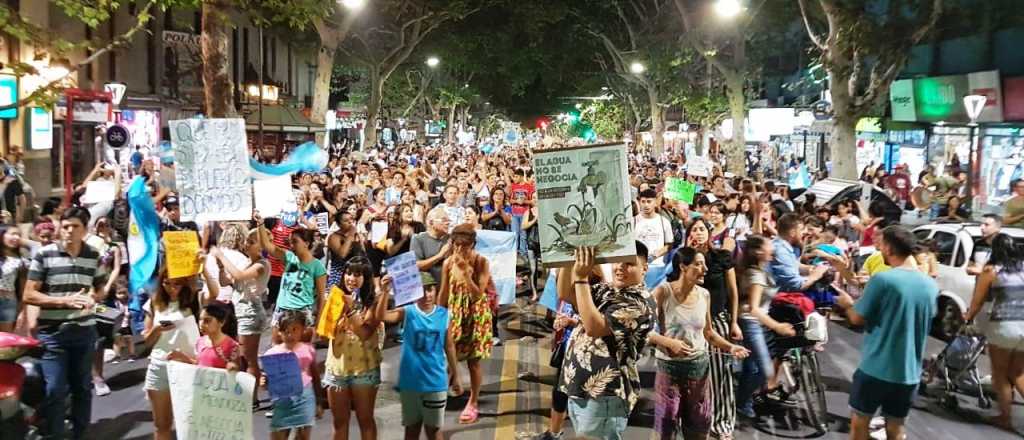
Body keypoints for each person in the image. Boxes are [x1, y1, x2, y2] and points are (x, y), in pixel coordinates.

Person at [834, 226, 938, 440]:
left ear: (889, 248)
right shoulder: (930, 285)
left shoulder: (883, 280)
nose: (879, 251)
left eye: (881, 246)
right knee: (896, 428)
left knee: (859, 424)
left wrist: (846, 304)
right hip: (909, 373)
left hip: (876, 368)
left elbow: (856, 318)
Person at [22, 207, 110, 440]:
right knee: (54, 389)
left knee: (82, 387)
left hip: (84, 332)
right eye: (65, 226)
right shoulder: (44, 255)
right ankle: (56, 435)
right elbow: (29, 295)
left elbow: (100, 289)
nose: (69, 231)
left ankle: (81, 434)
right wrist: (64, 301)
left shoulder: (93, 256)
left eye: (75, 226)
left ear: (85, 230)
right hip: (52, 334)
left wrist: (94, 297)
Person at [648, 247, 750, 440]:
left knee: (698, 427)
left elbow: (709, 333)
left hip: (699, 372)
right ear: (683, 267)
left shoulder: (704, 295)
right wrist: (668, 341)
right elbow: (644, 330)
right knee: (664, 427)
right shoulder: (663, 292)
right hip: (669, 372)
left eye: (704, 264)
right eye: (698, 264)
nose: (705, 269)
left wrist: (731, 347)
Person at [555, 244, 655, 440]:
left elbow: (594, 327)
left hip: (604, 396)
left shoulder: (639, 302)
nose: (620, 267)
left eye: (629, 264)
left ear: (645, 268)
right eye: (617, 261)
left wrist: (582, 277)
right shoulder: (609, 290)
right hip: (580, 387)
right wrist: (570, 258)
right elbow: (566, 294)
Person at [378, 272, 460, 440]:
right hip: (410, 383)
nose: (427, 295)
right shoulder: (407, 312)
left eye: (430, 289)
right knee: (411, 429)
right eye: (422, 290)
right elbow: (382, 316)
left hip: (435, 383)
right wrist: (385, 291)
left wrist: (455, 374)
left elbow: (449, 346)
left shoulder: (444, 315)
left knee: (433, 430)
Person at [319, 257, 385, 440]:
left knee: (365, 420)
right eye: (348, 273)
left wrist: (350, 310)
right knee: (339, 422)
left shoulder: (373, 301)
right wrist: (331, 319)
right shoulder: (335, 298)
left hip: (364, 370)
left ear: (367, 277)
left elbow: (365, 333)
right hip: (336, 369)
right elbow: (324, 335)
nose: (351, 278)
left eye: (357, 274)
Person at [964, 233, 1024, 432]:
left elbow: (978, 300)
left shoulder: (991, 270)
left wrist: (968, 316)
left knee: (1000, 374)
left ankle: (1005, 418)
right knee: (1018, 373)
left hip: (1004, 327)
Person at [735, 235, 797, 421]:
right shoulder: (755, 274)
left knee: (751, 368)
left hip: (757, 323)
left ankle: (743, 404)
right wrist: (777, 326)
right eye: (769, 245)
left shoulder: (762, 269)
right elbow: (754, 309)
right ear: (758, 252)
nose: (773, 247)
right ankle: (740, 400)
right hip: (751, 323)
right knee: (765, 370)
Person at [438, 224, 492, 424]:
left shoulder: (481, 262)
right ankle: (452, 384)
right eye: (456, 245)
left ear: (472, 244)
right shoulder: (447, 263)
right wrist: (438, 313)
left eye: (465, 246)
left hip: (476, 314)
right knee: (449, 351)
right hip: (455, 313)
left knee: (473, 361)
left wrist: (467, 275)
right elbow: (444, 292)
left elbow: (479, 294)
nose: (460, 250)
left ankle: (474, 401)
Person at [210, 228, 270, 404]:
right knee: (245, 357)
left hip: (251, 312)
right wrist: (221, 267)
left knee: (247, 358)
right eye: (247, 241)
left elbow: (239, 275)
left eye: (251, 242)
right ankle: (250, 396)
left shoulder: (261, 264)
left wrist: (222, 256)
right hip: (242, 312)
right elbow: (226, 281)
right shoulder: (247, 262)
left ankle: (252, 398)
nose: (247, 244)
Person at [141, 268, 202, 440]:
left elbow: (214, 292)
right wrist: (157, 329)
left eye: (177, 284)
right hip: (159, 366)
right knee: (162, 424)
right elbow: (146, 339)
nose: (172, 288)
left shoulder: (193, 300)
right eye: (167, 283)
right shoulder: (155, 302)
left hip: (187, 366)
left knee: (191, 422)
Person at [256, 214, 327, 341]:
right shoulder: (288, 257)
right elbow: (266, 245)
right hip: (282, 309)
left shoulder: (317, 267)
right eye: (290, 242)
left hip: (302, 312)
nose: (291, 246)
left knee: (302, 352)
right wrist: (260, 224)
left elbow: (322, 297)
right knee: (278, 350)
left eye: (295, 242)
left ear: (306, 243)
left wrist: (319, 323)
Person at [264, 310, 324, 440]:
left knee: (302, 436)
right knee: (278, 434)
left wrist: (319, 402)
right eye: (286, 331)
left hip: (304, 398)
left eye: (294, 330)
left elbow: (315, 377)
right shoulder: (272, 354)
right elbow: (269, 380)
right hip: (283, 400)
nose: (290, 335)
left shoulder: (307, 350)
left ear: (302, 330)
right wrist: (264, 382)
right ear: (279, 332)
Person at [536, 300, 578, 440]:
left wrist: (571, 322)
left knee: (582, 402)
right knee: (559, 392)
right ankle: (553, 433)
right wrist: (559, 322)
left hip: (585, 355)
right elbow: (563, 313)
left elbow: (599, 325)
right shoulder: (568, 294)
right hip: (567, 348)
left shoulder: (598, 290)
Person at [166, 302, 241, 371]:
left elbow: (236, 371)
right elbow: (199, 365)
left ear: (221, 322)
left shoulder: (232, 346)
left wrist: (232, 367)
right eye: (200, 320)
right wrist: (182, 357)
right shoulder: (200, 342)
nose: (201, 324)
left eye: (207, 320)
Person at [412, 208, 451, 284]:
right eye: (444, 220)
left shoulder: (451, 239)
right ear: (431, 222)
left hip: (448, 285)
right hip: (428, 287)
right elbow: (416, 266)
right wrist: (440, 255)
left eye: (448, 220)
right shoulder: (418, 239)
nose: (447, 223)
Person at [634, 189, 674, 265]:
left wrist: (656, 255)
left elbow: (669, 245)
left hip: (657, 265)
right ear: (639, 203)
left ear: (655, 203)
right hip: (637, 265)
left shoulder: (664, 222)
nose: (646, 205)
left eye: (649, 201)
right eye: (643, 201)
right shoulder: (633, 221)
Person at [0, 225, 27, 333]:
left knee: (4, 342)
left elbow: (23, 290)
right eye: (13, 234)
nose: (16, 238)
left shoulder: (20, 261)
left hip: (8, 302)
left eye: (19, 235)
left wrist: (22, 312)